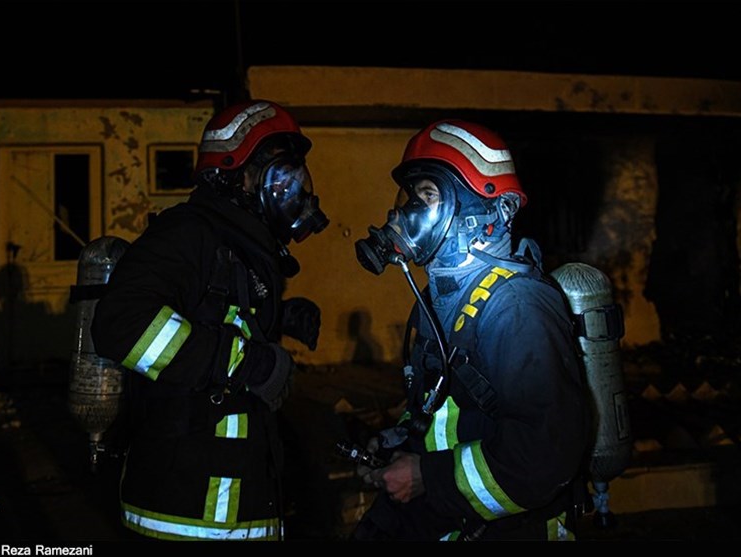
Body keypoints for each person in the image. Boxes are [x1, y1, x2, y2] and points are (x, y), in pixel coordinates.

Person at [90, 100, 328, 541]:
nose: (293, 188)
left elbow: (214, 316)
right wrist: (249, 363)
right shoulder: (189, 232)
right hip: (184, 516)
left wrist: (278, 319)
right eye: (280, 174)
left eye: (295, 175)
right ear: (238, 176)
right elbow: (122, 322)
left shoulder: (238, 241)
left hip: (235, 511)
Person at [352, 119, 592, 540]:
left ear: (476, 212)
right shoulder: (443, 298)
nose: (408, 212)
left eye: (428, 196)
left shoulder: (514, 306)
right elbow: (444, 404)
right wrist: (402, 440)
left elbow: (543, 454)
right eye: (411, 196)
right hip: (458, 520)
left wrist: (428, 476)